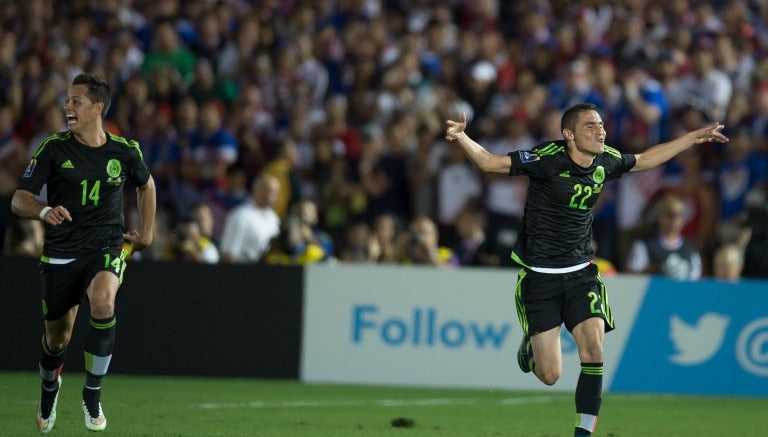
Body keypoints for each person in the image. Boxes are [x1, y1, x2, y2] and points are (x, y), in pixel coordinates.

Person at [444, 102, 727, 436]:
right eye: (590, 126)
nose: (600, 131)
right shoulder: (547, 158)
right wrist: (462, 138)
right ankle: (530, 349)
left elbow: (646, 159)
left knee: (593, 348)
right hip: (540, 277)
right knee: (550, 375)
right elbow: (489, 162)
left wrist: (692, 138)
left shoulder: (606, 159)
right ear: (569, 135)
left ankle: (584, 433)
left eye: (601, 125)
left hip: (581, 271)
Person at [11, 73, 156, 433]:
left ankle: (92, 394)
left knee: (104, 302)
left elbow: (146, 185)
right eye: (67, 100)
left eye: (76, 101)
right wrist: (44, 211)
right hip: (62, 251)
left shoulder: (124, 151)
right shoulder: (53, 148)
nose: (67, 106)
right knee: (56, 338)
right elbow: (19, 198)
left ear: (97, 108)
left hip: (106, 244)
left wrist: (147, 234)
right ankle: (49, 388)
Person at [624, 193, 703, 281]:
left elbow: (695, 281)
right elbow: (631, 278)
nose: (674, 220)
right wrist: (647, 271)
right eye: (669, 215)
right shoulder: (644, 245)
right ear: (659, 216)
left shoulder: (691, 248)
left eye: (679, 215)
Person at [219, 173, 280, 263]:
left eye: (276, 193)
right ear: (256, 190)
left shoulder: (274, 218)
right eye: (269, 191)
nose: (273, 196)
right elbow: (228, 253)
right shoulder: (240, 215)